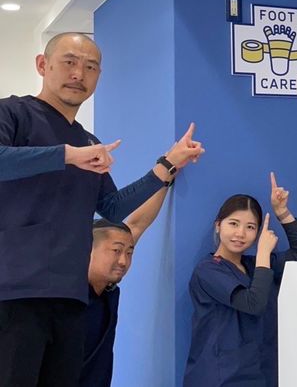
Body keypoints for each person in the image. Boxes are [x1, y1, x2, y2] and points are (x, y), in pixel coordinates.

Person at [0, 32, 204, 387]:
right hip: (14, 293)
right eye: (69, 62)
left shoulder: (88, 141)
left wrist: (167, 164)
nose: (79, 73)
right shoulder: (13, 113)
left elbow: (111, 207)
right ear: (42, 65)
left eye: (90, 67)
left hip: (70, 297)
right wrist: (67, 155)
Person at [184, 173, 297, 387]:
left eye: (250, 227)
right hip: (219, 376)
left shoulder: (254, 265)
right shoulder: (208, 270)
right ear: (218, 225)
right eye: (233, 223)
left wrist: (282, 212)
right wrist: (263, 253)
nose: (240, 233)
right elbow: (253, 304)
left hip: (258, 372)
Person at [81, 185, 172, 387]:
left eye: (129, 253)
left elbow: (137, 224)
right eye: (116, 251)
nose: (123, 261)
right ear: (86, 249)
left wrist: (166, 178)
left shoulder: (108, 290)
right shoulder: (66, 296)